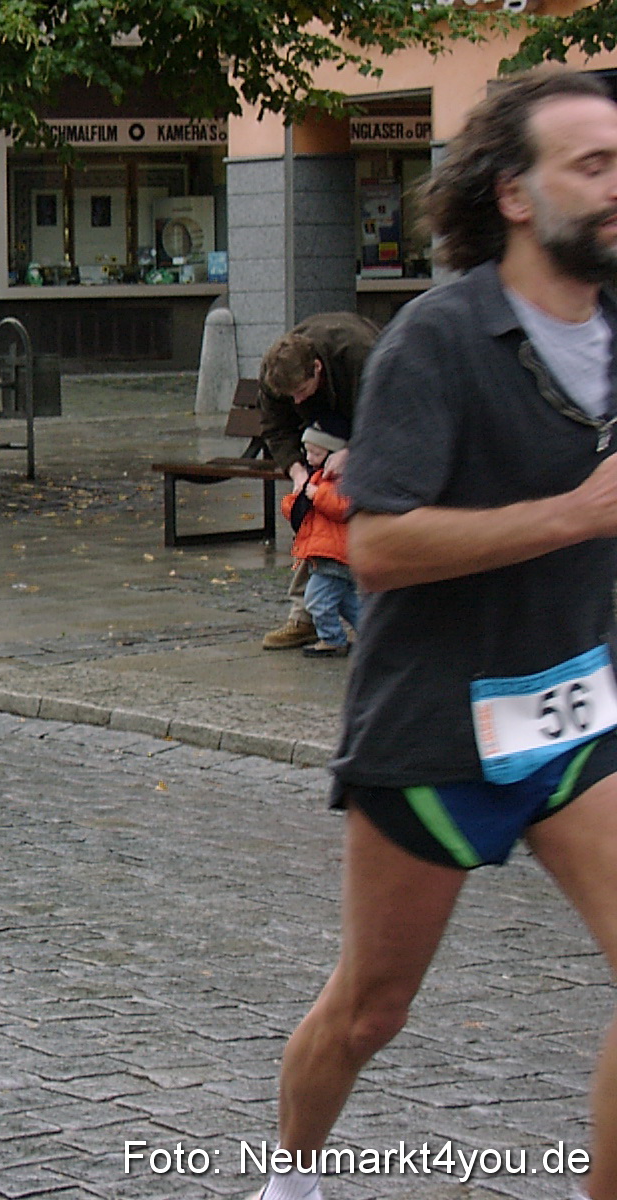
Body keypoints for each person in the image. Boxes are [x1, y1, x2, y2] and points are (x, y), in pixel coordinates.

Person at [249, 71, 617, 1200]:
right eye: (591, 167)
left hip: (575, 716)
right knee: (372, 1008)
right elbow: (380, 550)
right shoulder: (434, 341)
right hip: (433, 732)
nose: (616, 188)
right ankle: (289, 1180)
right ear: (515, 193)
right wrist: (577, 513)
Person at [256, 310, 380, 650]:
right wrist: (297, 471)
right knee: (316, 520)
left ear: (317, 370)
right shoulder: (276, 376)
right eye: (289, 396)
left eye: (301, 391)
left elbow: (387, 411)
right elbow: (275, 428)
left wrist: (353, 450)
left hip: (374, 431)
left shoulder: (358, 353)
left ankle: (384, 616)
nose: (296, 401)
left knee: (364, 518)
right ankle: (305, 615)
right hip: (323, 442)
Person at [279, 426, 358, 658]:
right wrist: (295, 500)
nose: (309, 459)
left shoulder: (342, 479)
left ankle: (332, 639)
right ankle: (376, 633)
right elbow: (303, 513)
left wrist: (318, 496)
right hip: (323, 551)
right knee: (346, 601)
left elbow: (344, 508)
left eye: (316, 454)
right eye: (307, 452)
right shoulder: (317, 478)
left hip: (335, 553)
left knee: (316, 600)